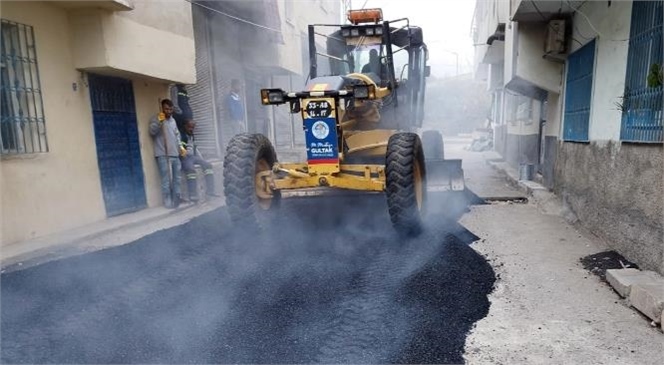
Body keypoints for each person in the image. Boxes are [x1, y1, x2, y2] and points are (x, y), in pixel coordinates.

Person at [149, 99, 185, 209]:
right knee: (166, 179)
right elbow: (152, 132)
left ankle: (177, 198)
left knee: (177, 178)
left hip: (174, 153)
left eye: (170, 109)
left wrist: (181, 147)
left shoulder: (173, 121)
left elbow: (177, 135)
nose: (168, 111)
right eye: (166, 109)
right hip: (163, 154)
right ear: (162, 108)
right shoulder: (156, 118)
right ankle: (167, 200)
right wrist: (159, 122)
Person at [180, 119, 218, 203]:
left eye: (193, 127)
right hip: (185, 157)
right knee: (191, 170)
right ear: (185, 126)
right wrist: (183, 157)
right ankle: (193, 195)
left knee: (208, 166)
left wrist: (201, 159)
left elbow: (195, 148)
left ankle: (210, 191)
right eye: (189, 127)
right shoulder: (182, 136)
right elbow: (181, 149)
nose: (191, 129)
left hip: (193, 157)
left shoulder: (191, 135)